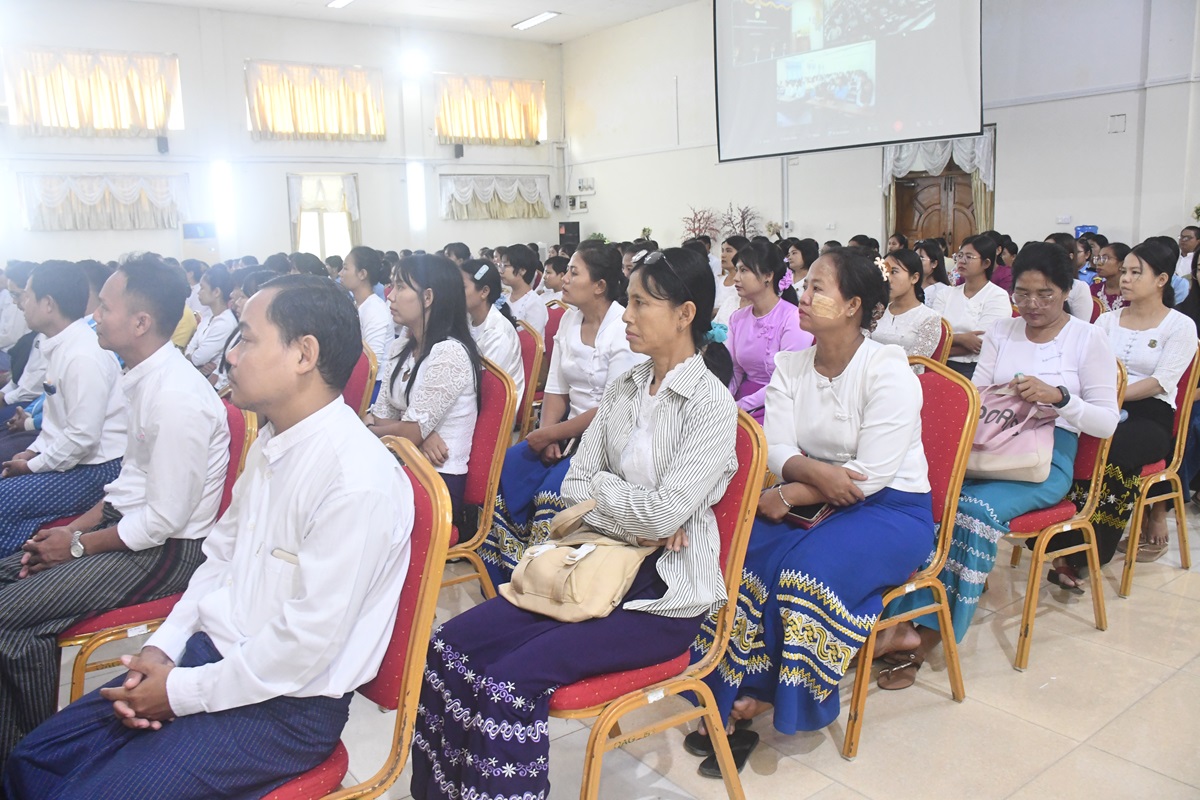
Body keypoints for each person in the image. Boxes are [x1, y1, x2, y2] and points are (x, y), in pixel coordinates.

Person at [5, 275, 414, 798]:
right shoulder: (275, 441)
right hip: (210, 655)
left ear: (304, 354)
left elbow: (304, 647)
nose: (231, 357)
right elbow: (219, 558)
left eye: (247, 339)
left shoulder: (356, 482)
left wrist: (180, 693)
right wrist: (165, 647)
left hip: (284, 707)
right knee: (34, 759)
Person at [411, 246, 737, 800]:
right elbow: (576, 483)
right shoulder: (627, 385)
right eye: (628, 300)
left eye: (641, 303)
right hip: (591, 561)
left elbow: (662, 514)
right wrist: (637, 509)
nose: (627, 315)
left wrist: (625, 503)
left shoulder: (709, 404)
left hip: (659, 594)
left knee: (508, 679)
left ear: (685, 314)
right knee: (449, 646)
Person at [689, 247, 932, 773]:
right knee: (741, 556)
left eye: (818, 287)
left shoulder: (887, 369)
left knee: (803, 575)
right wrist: (817, 477)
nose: (803, 294)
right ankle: (727, 686)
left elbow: (870, 476)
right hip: (821, 497)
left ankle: (772, 696)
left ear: (853, 306)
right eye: (806, 285)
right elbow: (775, 449)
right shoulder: (792, 365)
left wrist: (791, 493)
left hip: (892, 510)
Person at [0, 254, 230, 770]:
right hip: (128, 529)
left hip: (167, 554)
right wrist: (70, 530)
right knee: (12, 573)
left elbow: (162, 522)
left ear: (141, 322)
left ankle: (31, 753)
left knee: (7, 619)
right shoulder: (142, 376)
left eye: (104, 308)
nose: (94, 317)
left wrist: (78, 546)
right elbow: (126, 487)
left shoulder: (176, 397)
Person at [881, 243, 1119, 686]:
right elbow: (977, 398)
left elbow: (1106, 422)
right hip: (989, 447)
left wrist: (1059, 398)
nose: (1032, 305)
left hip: (1044, 459)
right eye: (1022, 294)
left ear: (1066, 291)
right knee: (921, 501)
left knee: (971, 513)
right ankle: (897, 620)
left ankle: (927, 636)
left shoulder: (1088, 338)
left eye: (1044, 294)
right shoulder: (1003, 331)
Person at [478, 241, 645, 587]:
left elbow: (611, 408)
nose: (564, 279)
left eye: (573, 272)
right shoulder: (570, 320)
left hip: (607, 440)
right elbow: (556, 387)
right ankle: (500, 579)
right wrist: (548, 433)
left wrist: (552, 434)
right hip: (567, 431)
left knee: (553, 491)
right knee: (508, 468)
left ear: (599, 285)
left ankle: (540, 583)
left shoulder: (622, 328)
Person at [0, 261, 125, 557]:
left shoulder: (82, 355)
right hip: (77, 459)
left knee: (4, 499)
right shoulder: (62, 346)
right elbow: (56, 423)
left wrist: (31, 466)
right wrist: (32, 452)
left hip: (99, 468)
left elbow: (82, 437)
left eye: (27, 296)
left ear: (48, 304)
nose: (21, 304)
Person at [1085, 240, 1196, 567]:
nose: (1126, 279)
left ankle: (1092, 549)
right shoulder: (1106, 322)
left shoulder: (1179, 325)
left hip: (1150, 415)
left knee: (1114, 448)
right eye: (1124, 272)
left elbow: (1160, 382)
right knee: (1065, 437)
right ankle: (1065, 531)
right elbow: (1087, 367)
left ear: (1161, 280)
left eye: (1136, 273)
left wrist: (1113, 394)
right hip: (1102, 404)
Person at [365, 255, 480, 522]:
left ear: (428, 297)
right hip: (402, 461)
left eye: (400, 287)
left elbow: (405, 430)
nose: (390, 296)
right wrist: (417, 433)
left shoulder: (449, 353)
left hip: (437, 480)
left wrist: (371, 430)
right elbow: (384, 416)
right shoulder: (400, 348)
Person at [726, 240, 812, 422]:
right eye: (737, 270)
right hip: (742, 400)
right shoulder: (737, 318)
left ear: (767, 275)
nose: (736, 278)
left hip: (780, 402)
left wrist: (741, 406)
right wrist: (724, 400)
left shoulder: (792, 318)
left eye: (744, 270)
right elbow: (735, 370)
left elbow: (787, 379)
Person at [933, 233, 1011, 378]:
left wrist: (941, 347)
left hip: (975, 367)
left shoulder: (997, 296)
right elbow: (932, 335)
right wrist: (961, 339)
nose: (961, 261)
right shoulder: (945, 293)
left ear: (986, 263)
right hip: (938, 363)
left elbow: (980, 345)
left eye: (969, 257)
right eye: (960, 255)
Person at [460, 258, 524, 401]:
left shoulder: (497, 332)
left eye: (462, 287)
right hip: (476, 397)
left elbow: (484, 383)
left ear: (484, 291)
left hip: (496, 405)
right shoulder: (468, 320)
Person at [872, 249, 943, 359]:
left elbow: (916, 363)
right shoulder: (878, 311)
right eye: (885, 272)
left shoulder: (929, 318)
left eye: (894, 272)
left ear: (914, 278)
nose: (887, 279)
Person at [340, 246, 393, 380]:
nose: (340, 273)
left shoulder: (374, 309)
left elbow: (372, 363)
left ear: (362, 274)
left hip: (374, 383)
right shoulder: (357, 304)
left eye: (345, 268)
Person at [184, 264, 237, 373]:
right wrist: (193, 357)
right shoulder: (208, 316)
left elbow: (198, 359)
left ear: (216, 292)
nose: (198, 292)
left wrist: (193, 358)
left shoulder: (225, 322)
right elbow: (189, 349)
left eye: (202, 288)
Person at [499, 244, 549, 337]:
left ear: (522, 270)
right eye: (501, 265)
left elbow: (530, 340)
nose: (501, 271)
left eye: (505, 266)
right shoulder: (504, 299)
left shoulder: (534, 303)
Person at [714, 235, 750, 326]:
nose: (723, 255)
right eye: (722, 251)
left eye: (728, 251)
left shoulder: (746, 286)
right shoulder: (718, 280)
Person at [1091, 241, 1131, 312]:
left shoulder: (1132, 292)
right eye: (1098, 258)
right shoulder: (1093, 290)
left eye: (1105, 258)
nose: (1099, 263)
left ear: (1122, 264)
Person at [915, 238, 952, 310]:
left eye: (921, 258)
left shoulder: (943, 290)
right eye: (914, 257)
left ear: (934, 263)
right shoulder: (910, 285)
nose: (915, 262)